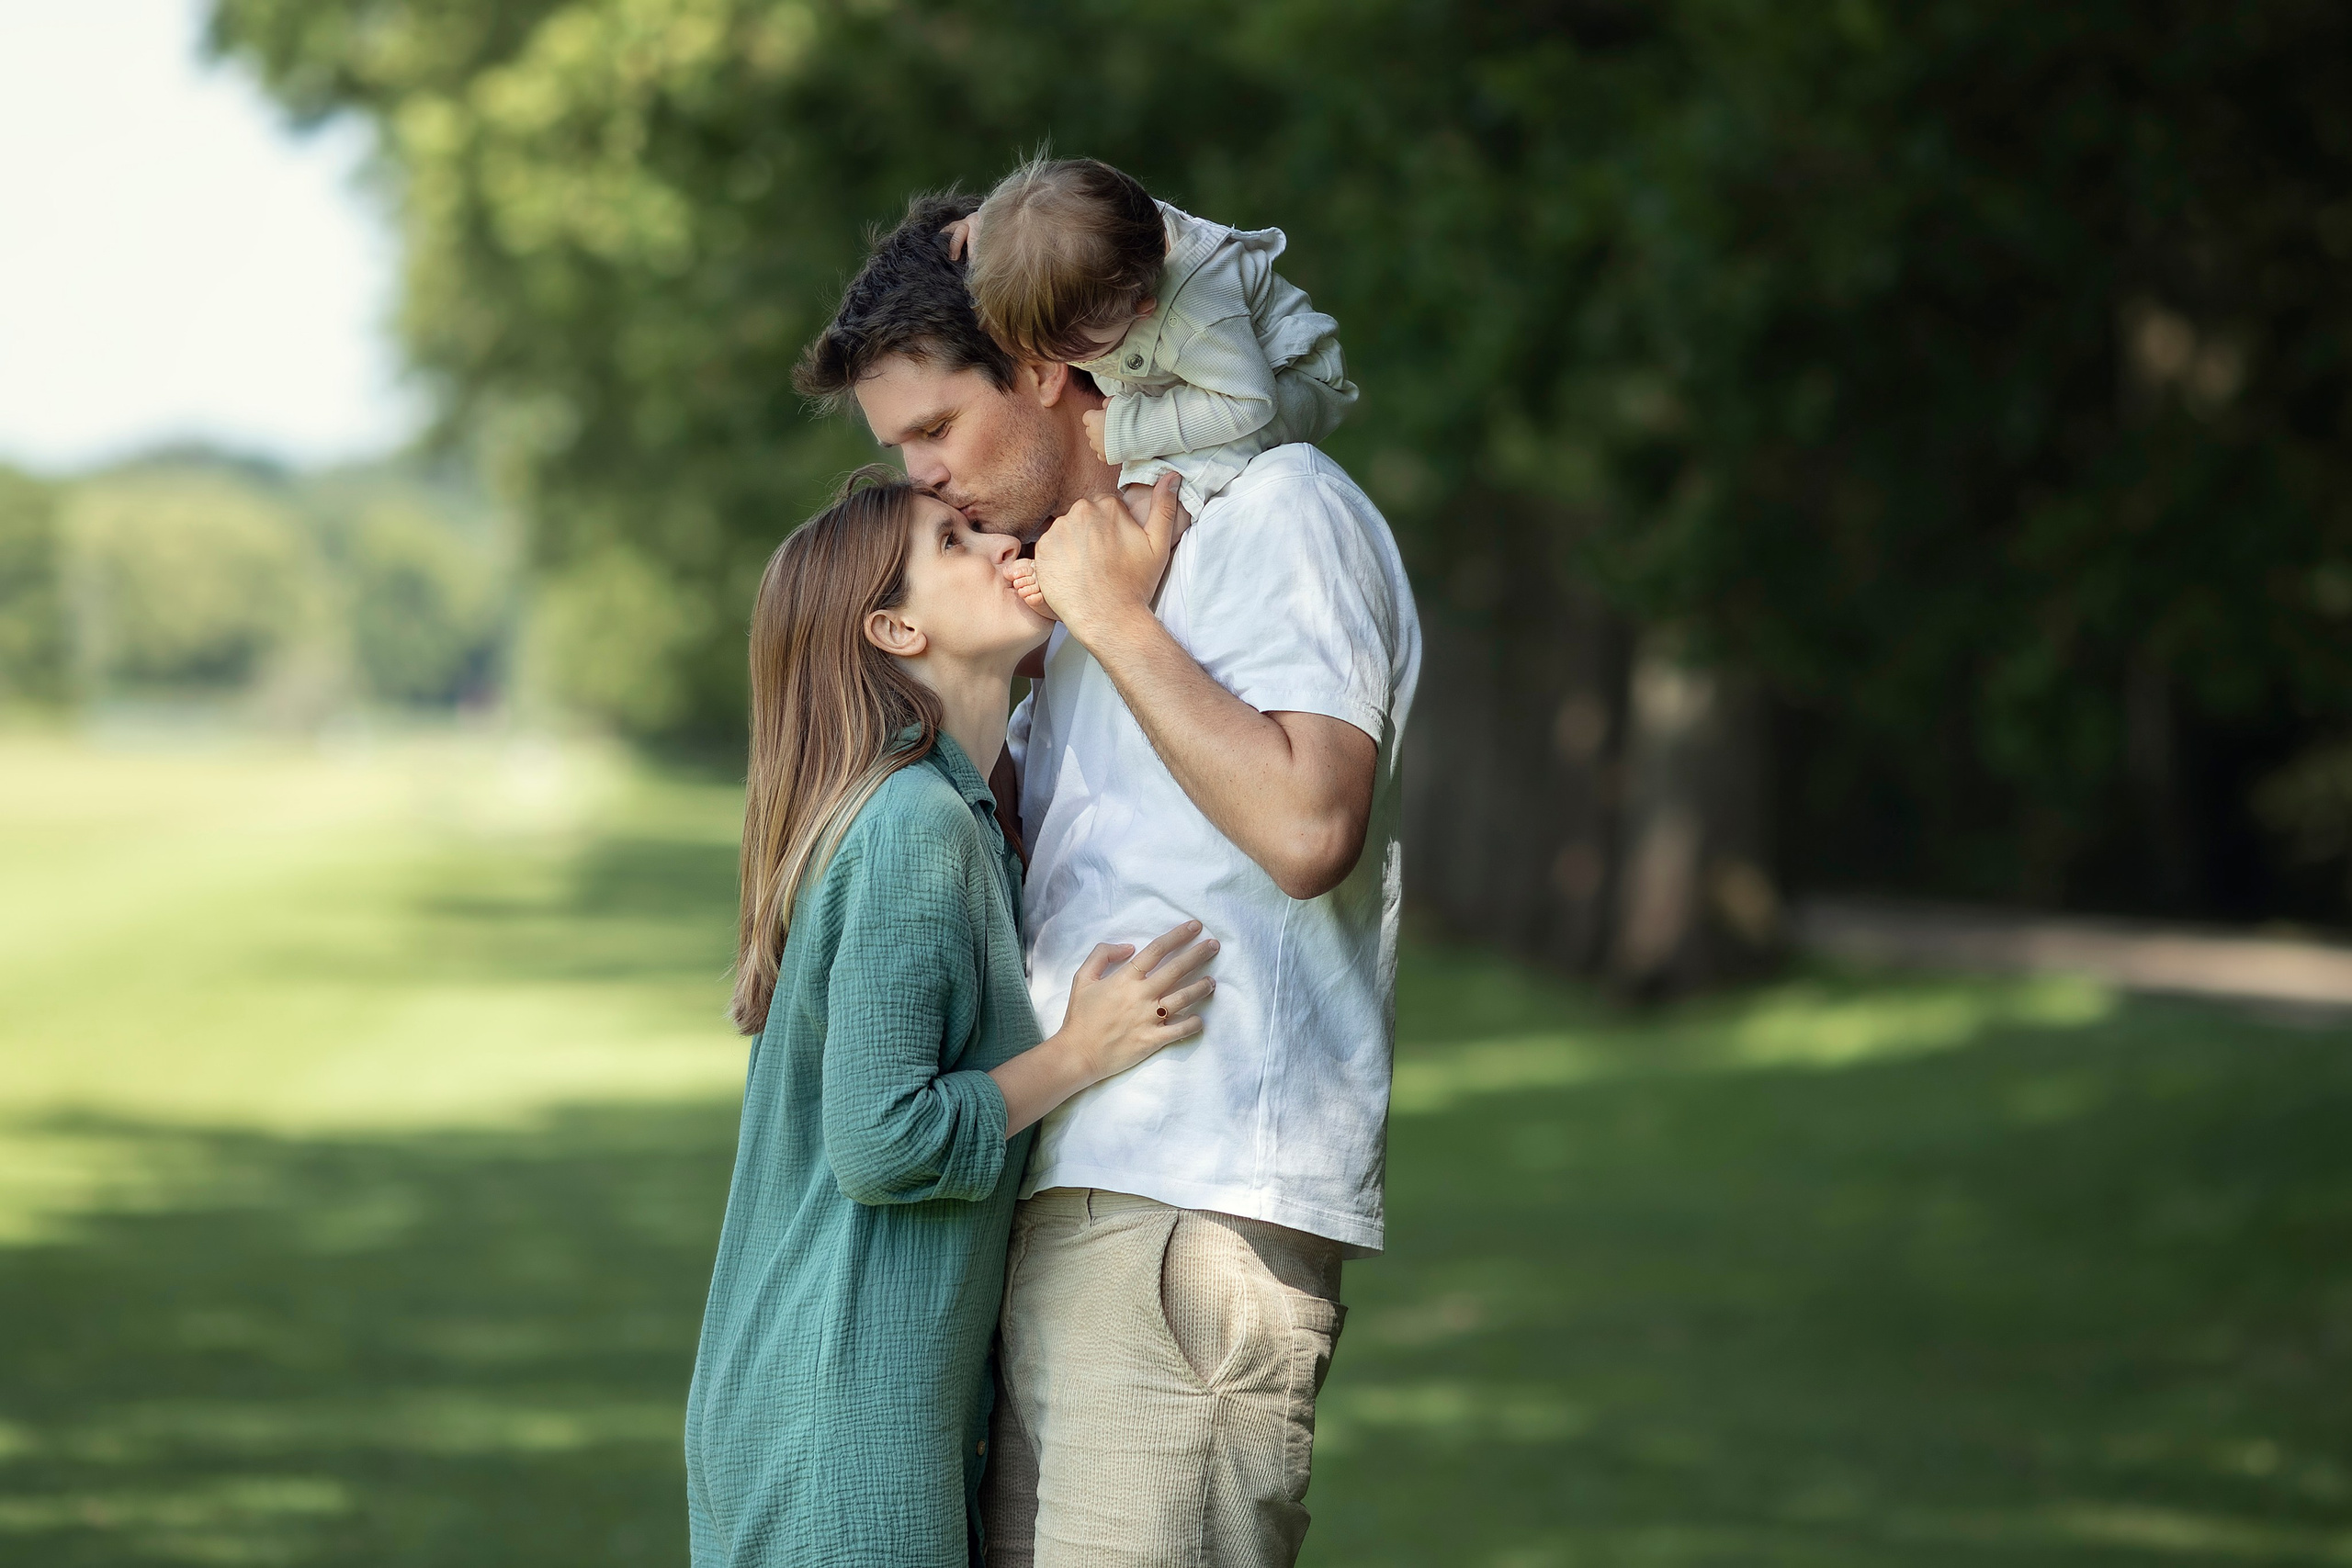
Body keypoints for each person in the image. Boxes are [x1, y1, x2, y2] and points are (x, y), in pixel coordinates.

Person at [795, 192, 1421, 1568]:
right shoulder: (1078, 587)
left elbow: (1312, 822)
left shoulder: (1281, 512)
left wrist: (1117, 621)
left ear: (1037, 369)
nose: (923, 475)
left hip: (1192, 1202)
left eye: (935, 429)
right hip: (1059, 1192)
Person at [684, 468, 1218, 1567]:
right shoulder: (913, 827)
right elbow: (882, 1140)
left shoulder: (956, 808)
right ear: (895, 625)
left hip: (847, 1401)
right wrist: (1080, 1052)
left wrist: (1122, 601)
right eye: (955, 540)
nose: (998, 542)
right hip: (833, 1415)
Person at [950, 154, 1356, 535]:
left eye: (1076, 352)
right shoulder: (1087, 230)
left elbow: (1251, 404)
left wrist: (1129, 428)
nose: (1047, 360)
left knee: (1165, 484)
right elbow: (1034, 214)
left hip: (1283, 379)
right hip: (1215, 372)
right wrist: (987, 228)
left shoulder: (1195, 316)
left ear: (1141, 309)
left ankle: (1148, 543)